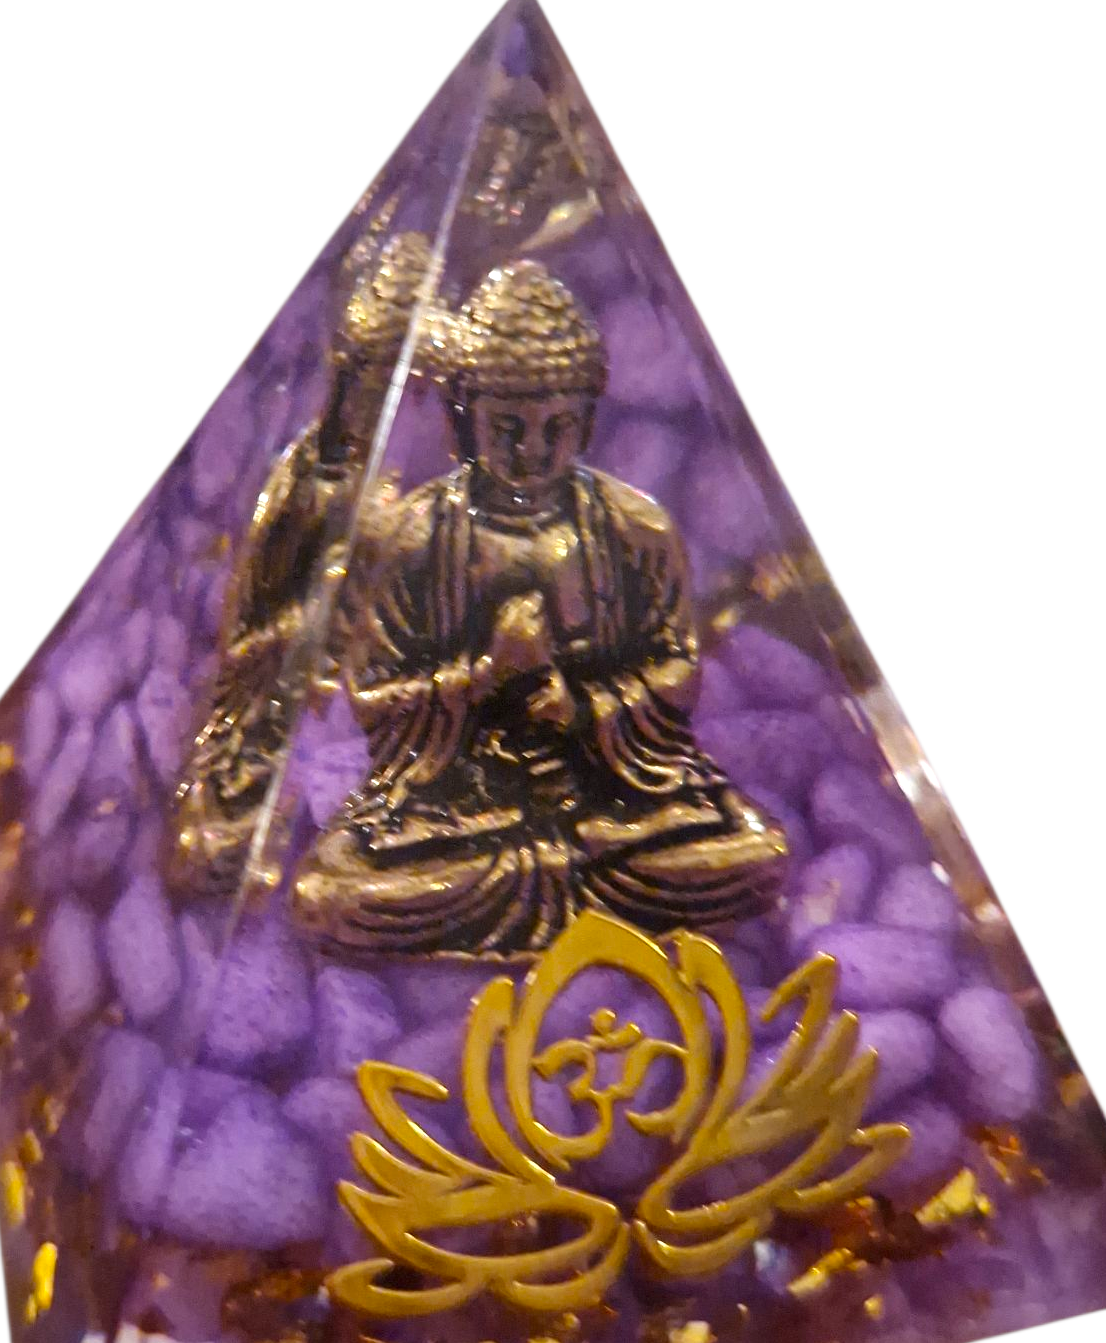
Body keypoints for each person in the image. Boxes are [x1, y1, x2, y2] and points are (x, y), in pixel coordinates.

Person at [292, 261, 786, 955]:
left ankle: (566, 891)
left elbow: (678, 668)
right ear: (464, 422)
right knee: (329, 896)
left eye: (557, 426)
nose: (531, 451)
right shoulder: (418, 535)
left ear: (587, 421)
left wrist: (581, 707)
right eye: (507, 427)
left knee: (754, 857)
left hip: (611, 791)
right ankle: (575, 902)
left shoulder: (635, 528)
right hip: (460, 803)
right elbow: (372, 694)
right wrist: (482, 679)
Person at [168, 230, 437, 897]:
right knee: (252, 763)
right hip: (279, 673)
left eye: (395, 388)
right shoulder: (312, 477)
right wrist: (294, 638)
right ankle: (231, 828)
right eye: (368, 384)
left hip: (342, 686)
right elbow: (260, 605)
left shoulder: (392, 478)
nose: (380, 405)